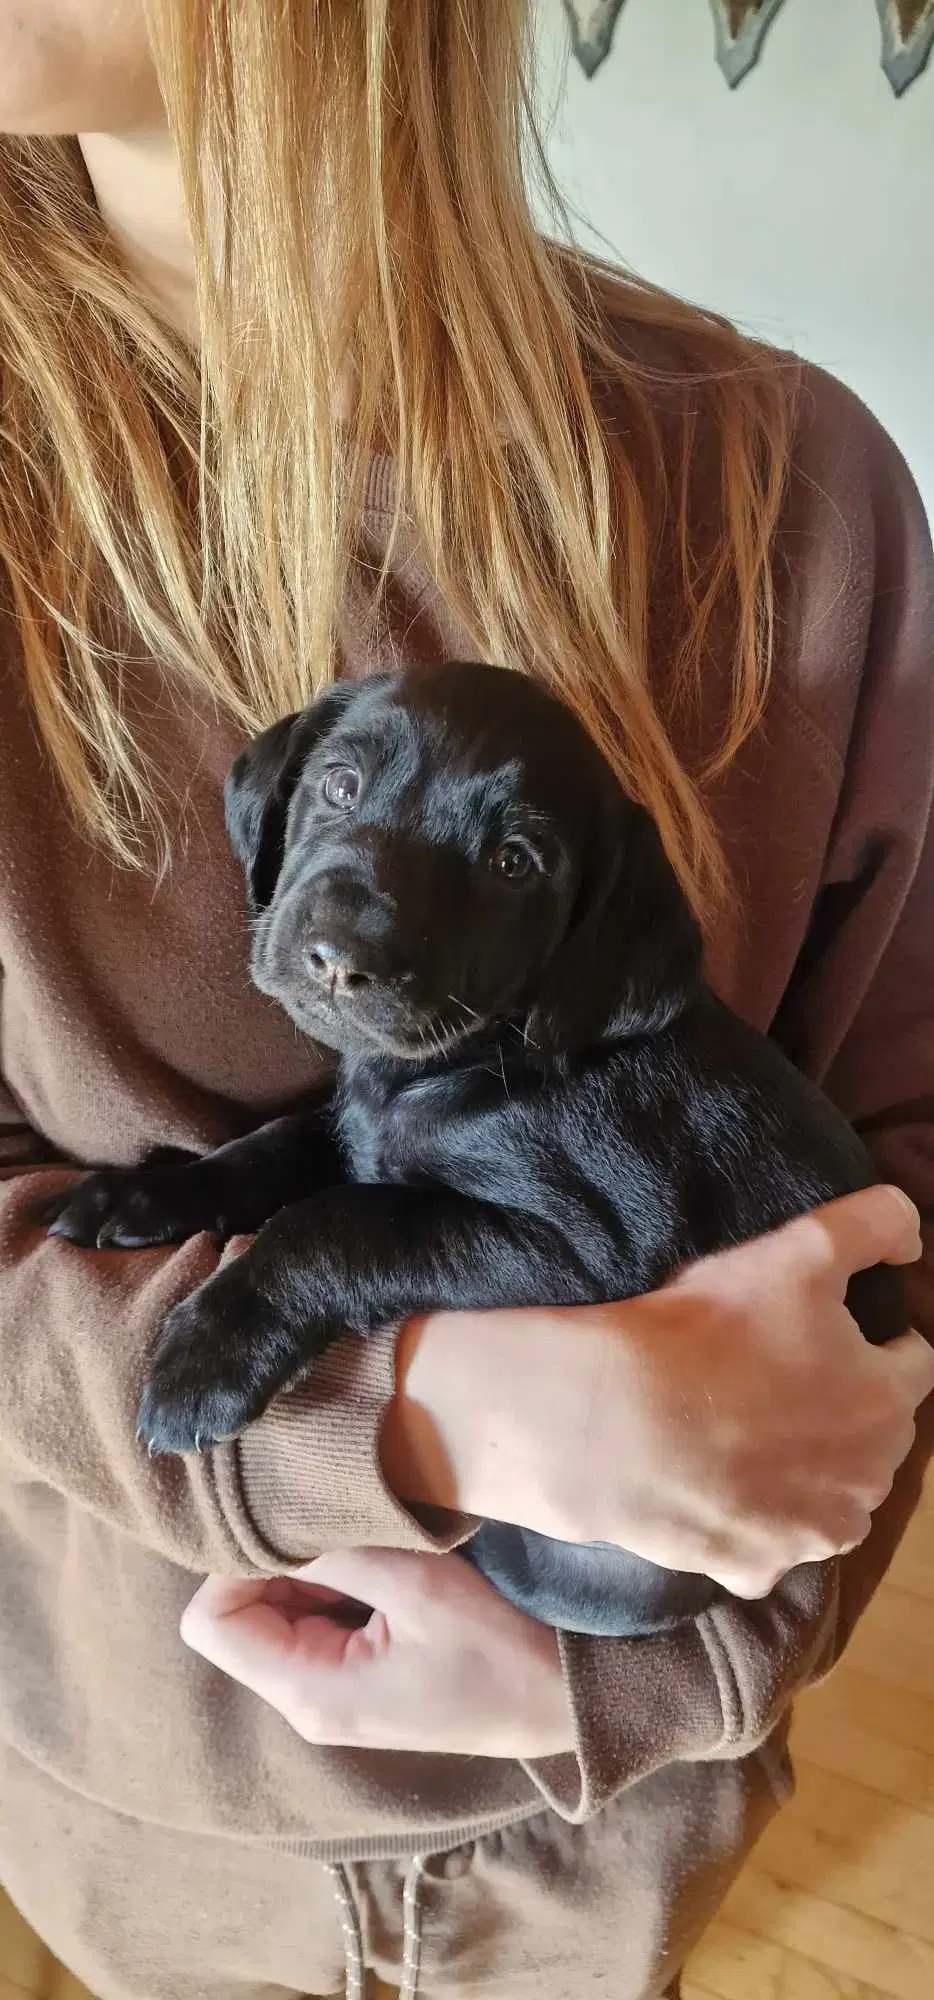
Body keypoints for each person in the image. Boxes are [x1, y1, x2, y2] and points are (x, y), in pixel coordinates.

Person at [0, 5, 931, 1999]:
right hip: (139, 1810)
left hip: (613, 1833)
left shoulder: (796, 493)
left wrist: (678, 1655)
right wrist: (411, 1407)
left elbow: (902, 1181)